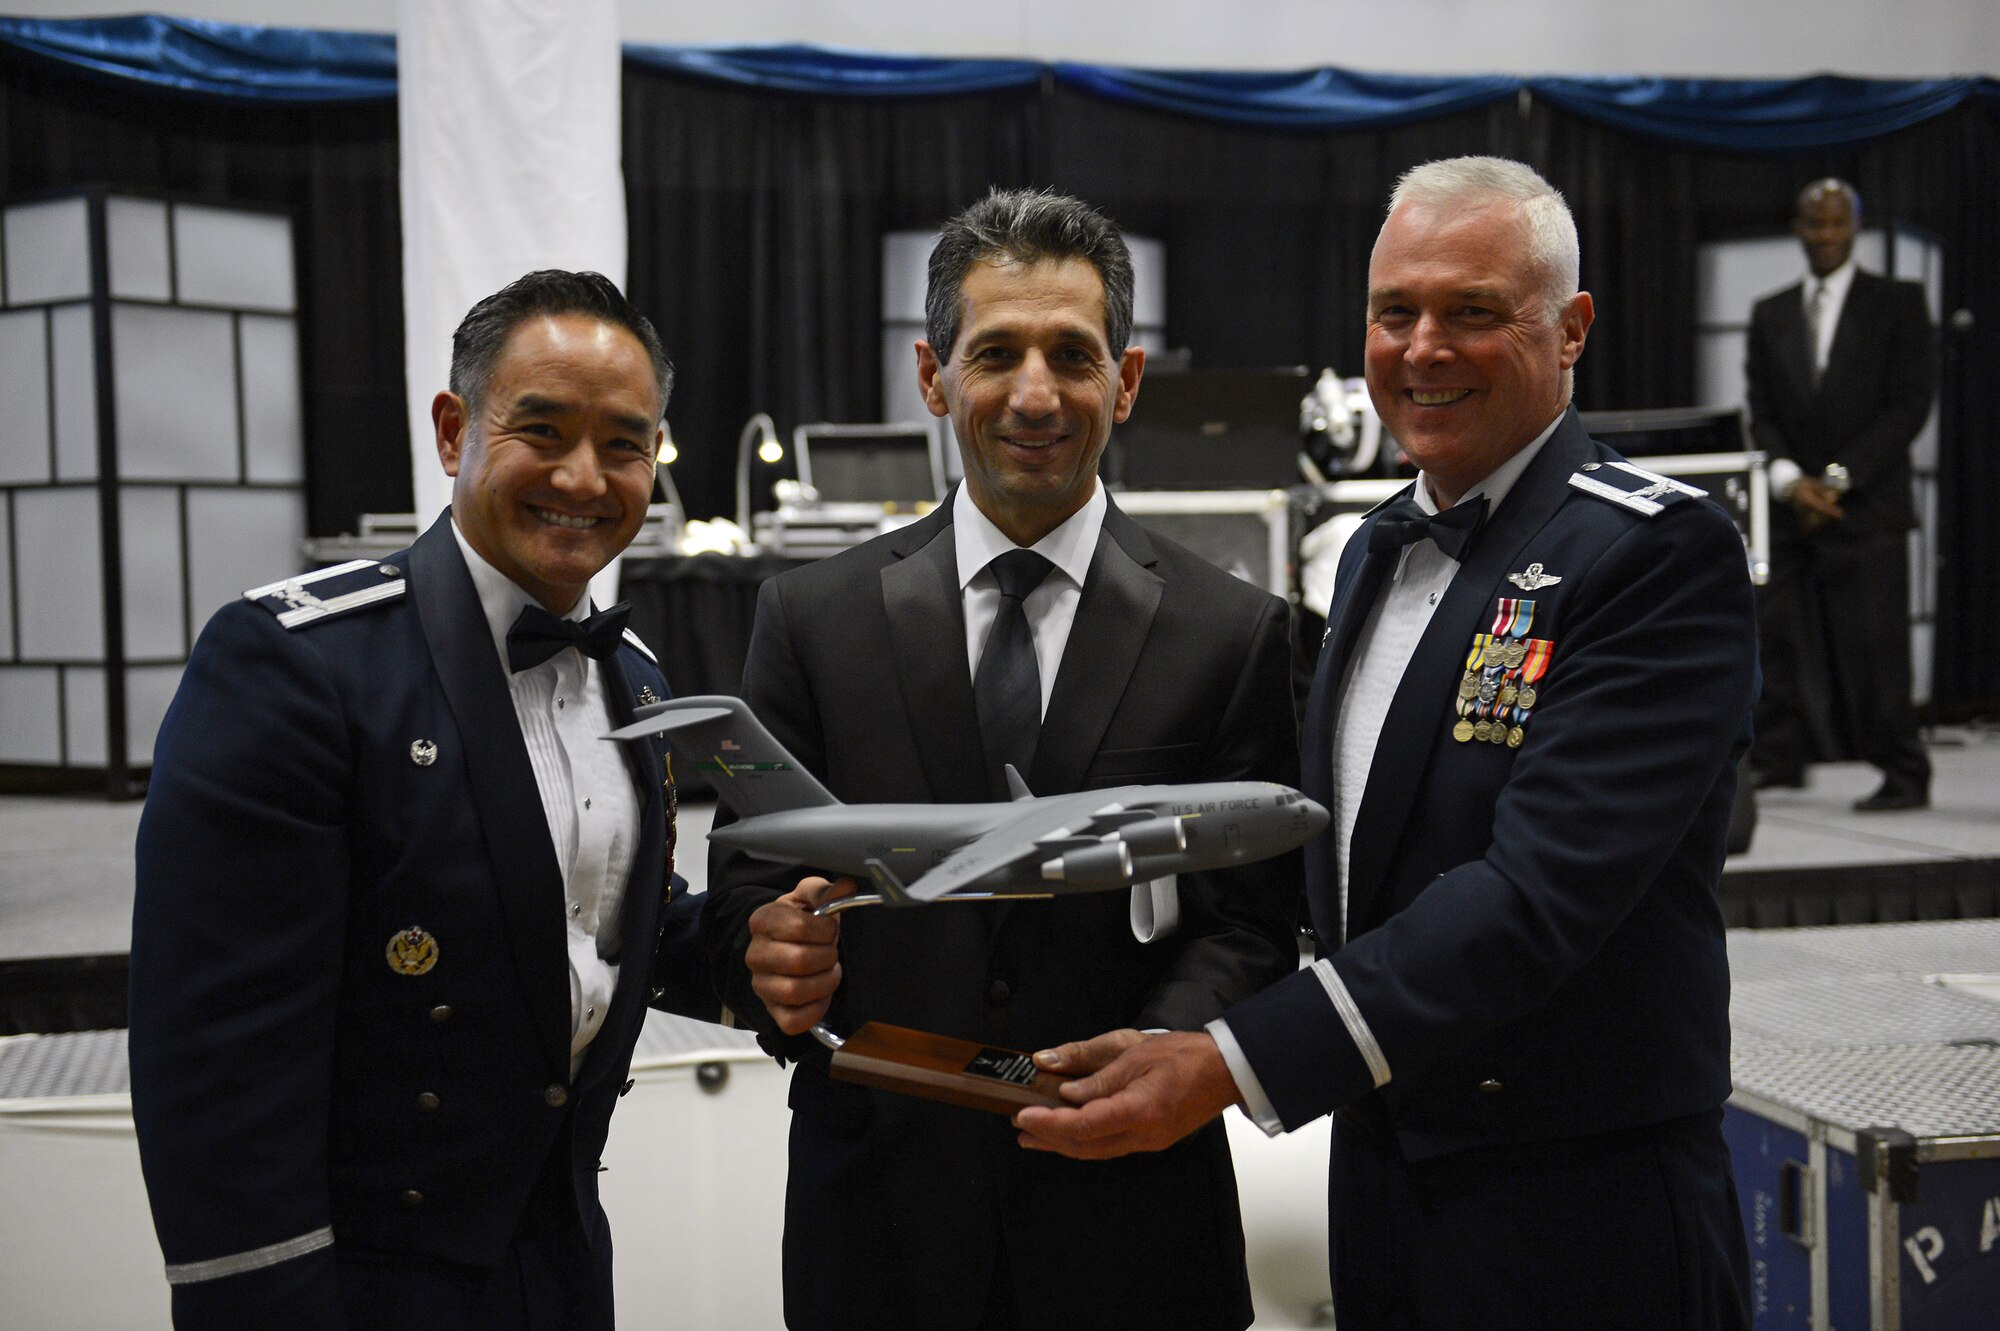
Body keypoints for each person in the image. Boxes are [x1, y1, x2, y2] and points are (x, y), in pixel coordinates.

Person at [1016, 158, 1758, 1331]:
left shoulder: (1653, 555)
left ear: (1569, 329)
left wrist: (1230, 1059)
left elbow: (1534, 897)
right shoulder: (1371, 548)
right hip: (1384, 1174)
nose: (1421, 348)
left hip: (1577, 1197)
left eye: (1472, 311)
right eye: (1392, 311)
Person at [700, 187, 1300, 1330]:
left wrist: (1162, 1049)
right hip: (879, 1216)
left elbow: (1254, 920)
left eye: (1072, 354)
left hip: (1132, 1220)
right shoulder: (810, 617)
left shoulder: (1232, 632)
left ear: (1124, 381)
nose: (1034, 393)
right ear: (932, 376)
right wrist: (766, 954)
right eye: (995, 354)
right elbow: (744, 884)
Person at [129, 270, 716, 1330]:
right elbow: (220, 1060)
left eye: (624, 445)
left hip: (562, 1260)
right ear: (454, 431)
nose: (584, 477)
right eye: (543, 430)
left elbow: (592, 918)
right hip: (364, 1282)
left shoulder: (634, 677)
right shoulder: (297, 665)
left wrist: (766, 944)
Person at [1745, 178, 1936, 810]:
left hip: (1868, 506)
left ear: (1854, 227)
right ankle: (1780, 757)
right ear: (1797, 230)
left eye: (1837, 223)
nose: (1826, 235)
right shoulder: (1769, 313)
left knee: (1876, 648)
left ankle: (1903, 772)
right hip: (1789, 508)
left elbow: (1909, 406)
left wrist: (1836, 479)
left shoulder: (1899, 303)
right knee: (1775, 639)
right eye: (1814, 223)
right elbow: (1762, 412)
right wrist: (1789, 481)